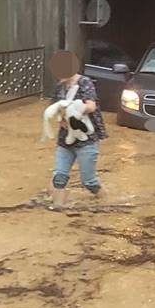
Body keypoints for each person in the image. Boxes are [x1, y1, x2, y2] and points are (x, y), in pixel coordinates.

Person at [49, 51, 108, 209]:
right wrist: (61, 118)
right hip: (65, 140)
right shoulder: (59, 87)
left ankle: (107, 202)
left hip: (87, 140)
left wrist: (74, 110)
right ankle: (57, 211)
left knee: (89, 182)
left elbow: (91, 106)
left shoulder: (85, 82)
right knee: (59, 178)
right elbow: (53, 108)